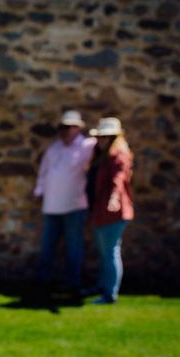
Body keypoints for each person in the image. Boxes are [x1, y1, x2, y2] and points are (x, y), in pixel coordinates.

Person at [33, 110, 96, 295]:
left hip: (74, 205)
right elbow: (44, 172)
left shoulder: (87, 146)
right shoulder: (54, 149)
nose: (66, 131)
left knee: (74, 246)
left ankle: (73, 282)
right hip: (52, 205)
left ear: (78, 128)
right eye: (63, 127)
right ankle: (43, 282)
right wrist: (39, 191)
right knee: (47, 246)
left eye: (70, 127)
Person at [84, 117, 134, 304]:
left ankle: (109, 293)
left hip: (113, 211)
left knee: (111, 252)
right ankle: (102, 285)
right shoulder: (101, 155)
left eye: (107, 137)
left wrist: (114, 198)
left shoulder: (119, 155)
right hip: (100, 210)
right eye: (101, 137)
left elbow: (118, 179)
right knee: (104, 253)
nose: (103, 140)